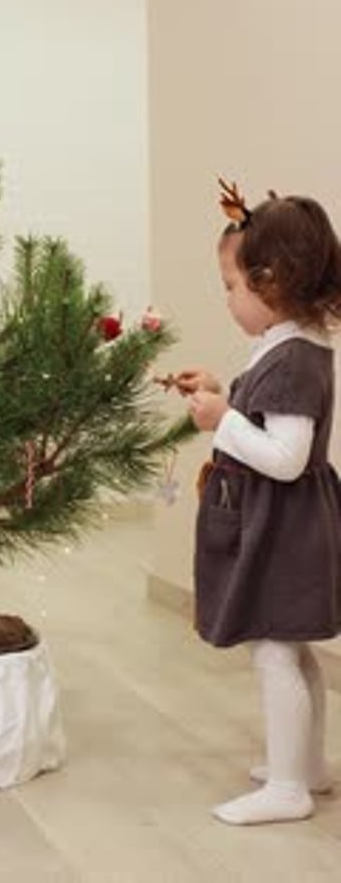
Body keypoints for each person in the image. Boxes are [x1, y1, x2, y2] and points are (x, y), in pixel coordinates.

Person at [176, 182, 341, 825]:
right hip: (286, 523)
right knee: (291, 650)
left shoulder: (298, 356)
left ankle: (290, 788)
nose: (228, 300)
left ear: (271, 283)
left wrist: (223, 421)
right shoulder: (287, 345)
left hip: (286, 526)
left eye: (231, 285)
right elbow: (266, 423)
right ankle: (304, 767)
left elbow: (288, 457)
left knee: (278, 652)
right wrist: (224, 399)